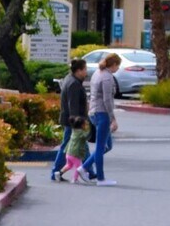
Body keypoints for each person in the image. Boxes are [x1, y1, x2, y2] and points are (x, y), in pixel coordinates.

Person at [84, 53, 121, 185]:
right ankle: (100, 178)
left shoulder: (97, 73)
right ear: (114, 64)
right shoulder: (107, 77)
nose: (118, 69)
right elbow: (107, 99)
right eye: (118, 66)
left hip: (94, 112)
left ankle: (84, 167)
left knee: (107, 145)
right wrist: (113, 118)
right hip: (102, 113)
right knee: (100, 147)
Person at [52, 57, 89, 183]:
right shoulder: (74, 84)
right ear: (78, 71)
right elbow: (72, 105)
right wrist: (77, 123)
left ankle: (88, 170)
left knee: (72, 146)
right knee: (70, 146)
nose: (86, 72)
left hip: (70, 120)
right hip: (73, 122)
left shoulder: (71, 79)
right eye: (85, 69)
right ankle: (89, 170)